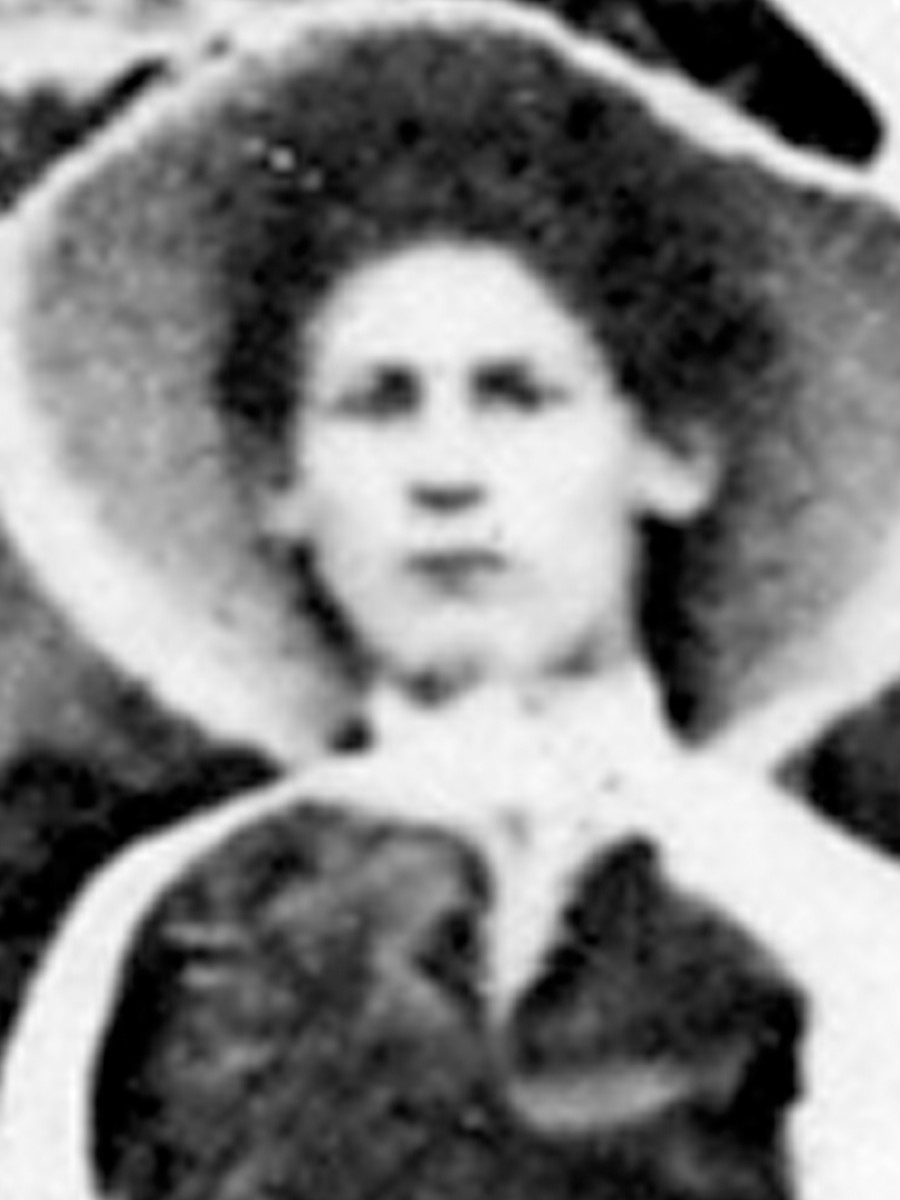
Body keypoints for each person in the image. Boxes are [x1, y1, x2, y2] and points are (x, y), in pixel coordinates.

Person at [4, 4, 900, 1199]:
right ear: (284, 487)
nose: (445, 475)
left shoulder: (826, 921)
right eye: (378, 403)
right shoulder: (162, 922)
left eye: (518, 395)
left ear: (671, 452)